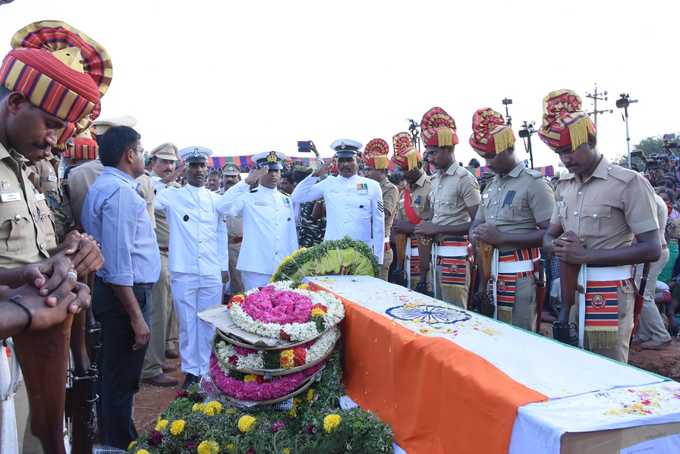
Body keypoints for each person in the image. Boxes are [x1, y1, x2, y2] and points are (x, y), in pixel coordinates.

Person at [0, 20, 109, 453]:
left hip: (35, 347)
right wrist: (31, 276)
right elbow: (21, 268)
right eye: (49, 124)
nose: (54, 141)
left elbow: (34, 254)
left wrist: (68, 256)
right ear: (16, 102)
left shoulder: (24, 166)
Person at [541, 89, 660, 363]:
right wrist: (558, 248)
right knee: (573, 364)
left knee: (608, 369)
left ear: (591, 139)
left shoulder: (628, 183)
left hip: (610, 289)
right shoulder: (564, 186)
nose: (566, 159)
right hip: (571, 291)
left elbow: (651, 248)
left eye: (571, 149)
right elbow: (549, 236)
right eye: (560, 152)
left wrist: (586, 256)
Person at [81, 126, 161, 448]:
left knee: (114, 375)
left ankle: (117, 436)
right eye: (141, 151)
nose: (142, 156)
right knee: (121, 378)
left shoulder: (107, 186)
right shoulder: (120, 192)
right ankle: (117, 443)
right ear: (130, 154)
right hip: (124, 296)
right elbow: (116, 263)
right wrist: (136, 316)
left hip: (117, 292)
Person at [468, 108, 555, 330]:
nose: (488, 162)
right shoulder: (491, 185)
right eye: (484, 157)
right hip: (490, 274)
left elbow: (552, 233)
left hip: (521, 276)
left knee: (520, 340)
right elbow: (477, 223)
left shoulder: (534, 183)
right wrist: (476, 234)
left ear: (509, 147)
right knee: (493, 335)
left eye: (491, 156)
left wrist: (503, 237)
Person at [154, 146, 228, 388]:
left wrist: (223, 266)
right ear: (185, 168)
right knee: (187, 322)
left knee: (208, 320)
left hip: (210, 268)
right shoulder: (172, 195)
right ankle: (191, 371)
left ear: (208, 169)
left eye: (202, 166)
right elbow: (152, 196)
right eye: (193, 165)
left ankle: (207, 370)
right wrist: (173, 176)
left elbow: (221, 234)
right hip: (183, 268)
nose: (198, 170)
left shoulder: (216, 200)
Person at [414, 107, 481, 308]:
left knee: (455, 315)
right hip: (437, 255)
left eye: (433, 153)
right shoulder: (435, 180)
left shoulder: (465, 179)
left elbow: (476, 225)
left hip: (456, 257)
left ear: (447, 148)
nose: (429, 158)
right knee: (437, 312)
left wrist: (438, 229)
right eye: (427, 154)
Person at [292, 139, 385, 264]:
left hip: (361, 256)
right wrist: (318, 173)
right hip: (332, 254)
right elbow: (297, 196)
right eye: (341, 160)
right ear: (335, 162)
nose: (345, 164)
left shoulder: (372, 186)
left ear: (357, 160)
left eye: (349, 160)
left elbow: (379, 224)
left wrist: (378, 259)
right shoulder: (329, 183)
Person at [218, 151, 299, 289]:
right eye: (268, 170)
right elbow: (222, 207)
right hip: (256, 268)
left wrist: (295, 264)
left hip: (282, 266)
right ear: (259, 172)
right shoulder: (248, 196)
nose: (273, 174)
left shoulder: (286, 199)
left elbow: (291, 234)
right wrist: (246, 182)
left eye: (276, 170)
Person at [141, 143, 180, 386]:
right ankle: (150, 367)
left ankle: (164, 350)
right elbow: (156, 193)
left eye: (172, 162)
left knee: (170, 307)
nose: (168, 167)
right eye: (164, 162)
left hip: (174, 255)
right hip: (156, 254)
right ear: (152, 162)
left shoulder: (174, 187)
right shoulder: (148, 183)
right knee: (158, 310)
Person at [391, 132, 433, 292]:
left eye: (405, 169)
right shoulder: (404, 191)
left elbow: (435, 223)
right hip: (406, 256)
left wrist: (411, 228)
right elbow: (399, 223)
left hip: (425, 256)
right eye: (401, 169)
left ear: (418, 165)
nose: (402, 173)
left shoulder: (432, 186)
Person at [634, 193, 673, 349]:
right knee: (640, 293)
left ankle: (660, 335)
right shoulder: (653, 198)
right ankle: (645, 334)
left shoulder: (647, 199)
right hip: (654, 252)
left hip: (652, 254)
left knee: (643, 295)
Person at [363, 139, 398, 280]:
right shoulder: (367, 187)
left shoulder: (391, 189)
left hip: (380, 247)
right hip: (366, 246)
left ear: (381, 170)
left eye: (370, 169)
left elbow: (383, 214)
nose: (366, 173)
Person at [221, 164, 244, 295]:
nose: (230, 179)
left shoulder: (245, 197)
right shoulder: (216, 197)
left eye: (233, 177)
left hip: (237, 245)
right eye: (227, 177)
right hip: (219, 246)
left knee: (238, 283)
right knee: (219, 284)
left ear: (239, 178)